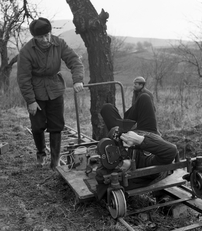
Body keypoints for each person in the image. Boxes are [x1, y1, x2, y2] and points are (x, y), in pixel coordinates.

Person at [17, 17, 84, 170]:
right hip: (36, 92)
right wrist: (31, 101)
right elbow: (23, 78)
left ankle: (55, 162)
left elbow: (74, 60)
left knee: (56, 126)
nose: (46, 39)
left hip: (55, 89)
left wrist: (78, 79)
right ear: (34, 37)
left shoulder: (59, 43)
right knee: (37, 126)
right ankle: (41, 154)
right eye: (41, 37)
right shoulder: (26, 51)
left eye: (47, 34)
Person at [95, 93, 177, 200]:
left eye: (119, 163)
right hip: (148, 133)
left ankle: (126, 122)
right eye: (120, 165)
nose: (121, 162)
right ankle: (128, 122)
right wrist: (138, 140)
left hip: (127, 133)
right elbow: (171, 150)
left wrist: (118, 134)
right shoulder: (147, 163)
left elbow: (101, 175)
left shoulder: (117, 156)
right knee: (144, 98)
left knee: (107, 108)